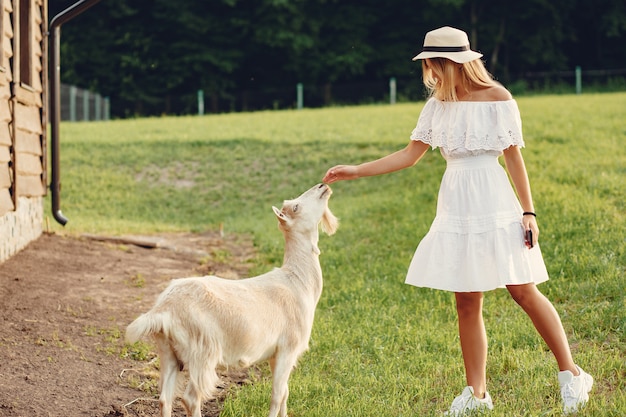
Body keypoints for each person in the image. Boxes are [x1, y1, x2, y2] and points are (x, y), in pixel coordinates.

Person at [322, 26, 593, 416]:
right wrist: (355, 171)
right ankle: (477, 394)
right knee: (466, 300)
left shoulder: (498, 99)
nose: (428, 70)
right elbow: (409, 155)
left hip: (494, 198)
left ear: (449, 63)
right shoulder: (437, 105)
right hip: (456, 203)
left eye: (431, 63)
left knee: (523, 290)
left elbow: (514, 157)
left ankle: (572, 375)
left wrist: (528, 212)